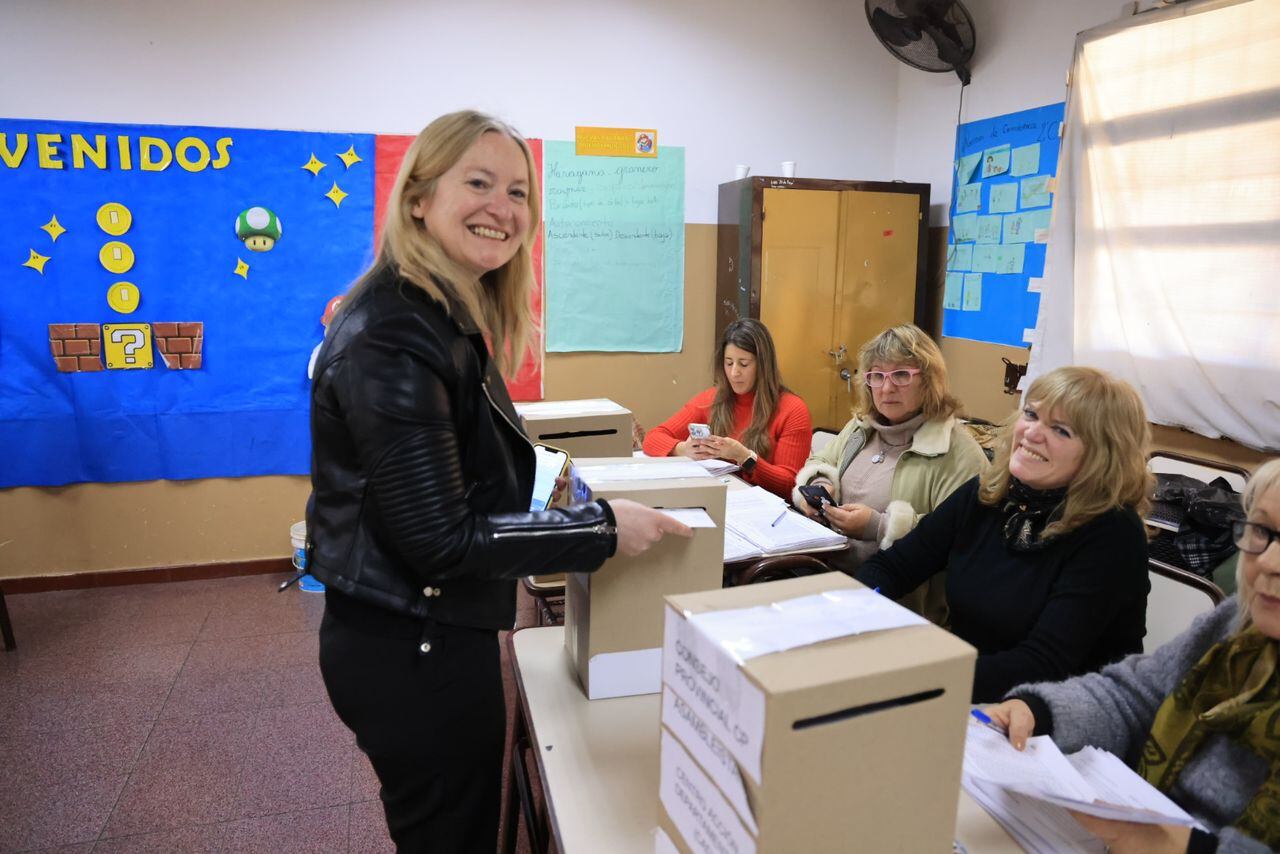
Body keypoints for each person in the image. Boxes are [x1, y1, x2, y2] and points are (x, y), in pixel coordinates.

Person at [306, 111, 691, 853]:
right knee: (454, 833)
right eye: (477, 183)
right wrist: (604, 529)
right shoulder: (396, 332)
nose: (502, 208)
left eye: (517, 191)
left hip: (424, 631)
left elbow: (475, 462)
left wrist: (563, 493)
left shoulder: (439, 312)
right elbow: (439, 541)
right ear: (418, 197)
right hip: (411, 647)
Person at [985, 458, 1280, 854]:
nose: (1268, 562)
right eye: (1263, 531)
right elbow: (1135, 695)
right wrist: (1040, 710)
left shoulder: (1109, 533)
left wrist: (1175, 846)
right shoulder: (1236, 625)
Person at [855, 366, 1151, 702]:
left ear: (1102, 454)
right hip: (971, 690)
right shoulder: (990, 492)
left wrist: (920, 675)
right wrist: (857, 611)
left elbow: (1043, 664)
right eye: (1031, 414)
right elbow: (893, 567)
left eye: (1061, 430)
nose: (1032, 434)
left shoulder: (1112, 533)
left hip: (1056, 719)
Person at [791, 324, 987, 622]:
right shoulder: (862, 426)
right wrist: (819, 486)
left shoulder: (957, 453)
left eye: (901, 375)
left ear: (929, 381)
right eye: (877, 376)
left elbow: (961, 540)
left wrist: (878, 527)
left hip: (898, 606)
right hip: (822, 573)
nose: (886, 388)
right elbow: (820, 460)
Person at [643, 318, 811, 499]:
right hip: (721, 499)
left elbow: (789, 485)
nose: (734, 373)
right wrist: (682, 449)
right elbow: (653, 438)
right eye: (729, 363)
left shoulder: (793, 410)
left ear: (763, 365)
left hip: (764, 509)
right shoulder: (712, 399)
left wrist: (746, 458)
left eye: (744, 364)